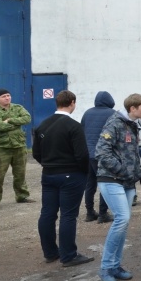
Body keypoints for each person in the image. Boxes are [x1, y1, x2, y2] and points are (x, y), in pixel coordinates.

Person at [33, 90, 93, 267]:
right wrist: (83, 172)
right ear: (72, 102)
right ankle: (68, 255)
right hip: (71, 175)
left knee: (48, 213)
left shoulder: (42, 125)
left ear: (56, 103)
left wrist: (48, 164)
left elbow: (36, 153)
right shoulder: (73, 126)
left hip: (49, 174)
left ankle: (51, 252)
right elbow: (82, 155)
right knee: (68, 215)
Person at [95, 93, 141, 281]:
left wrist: (134, 173)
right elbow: (101, 151)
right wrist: (123, 170)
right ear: (132, 108)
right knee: (122, 219)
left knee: (123, 223)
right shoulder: (115, 123)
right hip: (111, 179)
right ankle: (106, 267)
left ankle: (116, 265)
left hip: (126, 182)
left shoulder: (132, 124)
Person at [0, 88, 33, 210]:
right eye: (3, 96)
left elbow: (27, 118)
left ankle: (22, 196)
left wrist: (10, 120)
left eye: (8, 95)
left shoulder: (17, 107)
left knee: (20, 173)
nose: (7, 98)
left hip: (18, 146)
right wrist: (17, 123)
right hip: (1, 148)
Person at [80, 91, 115, 223]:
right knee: (105, 183)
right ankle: (102, 213)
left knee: (90, 184)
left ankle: (89, 213)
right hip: (103, 154)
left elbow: (82, 131)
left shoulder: (87, 113)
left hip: (88, 154)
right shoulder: (112, 114)